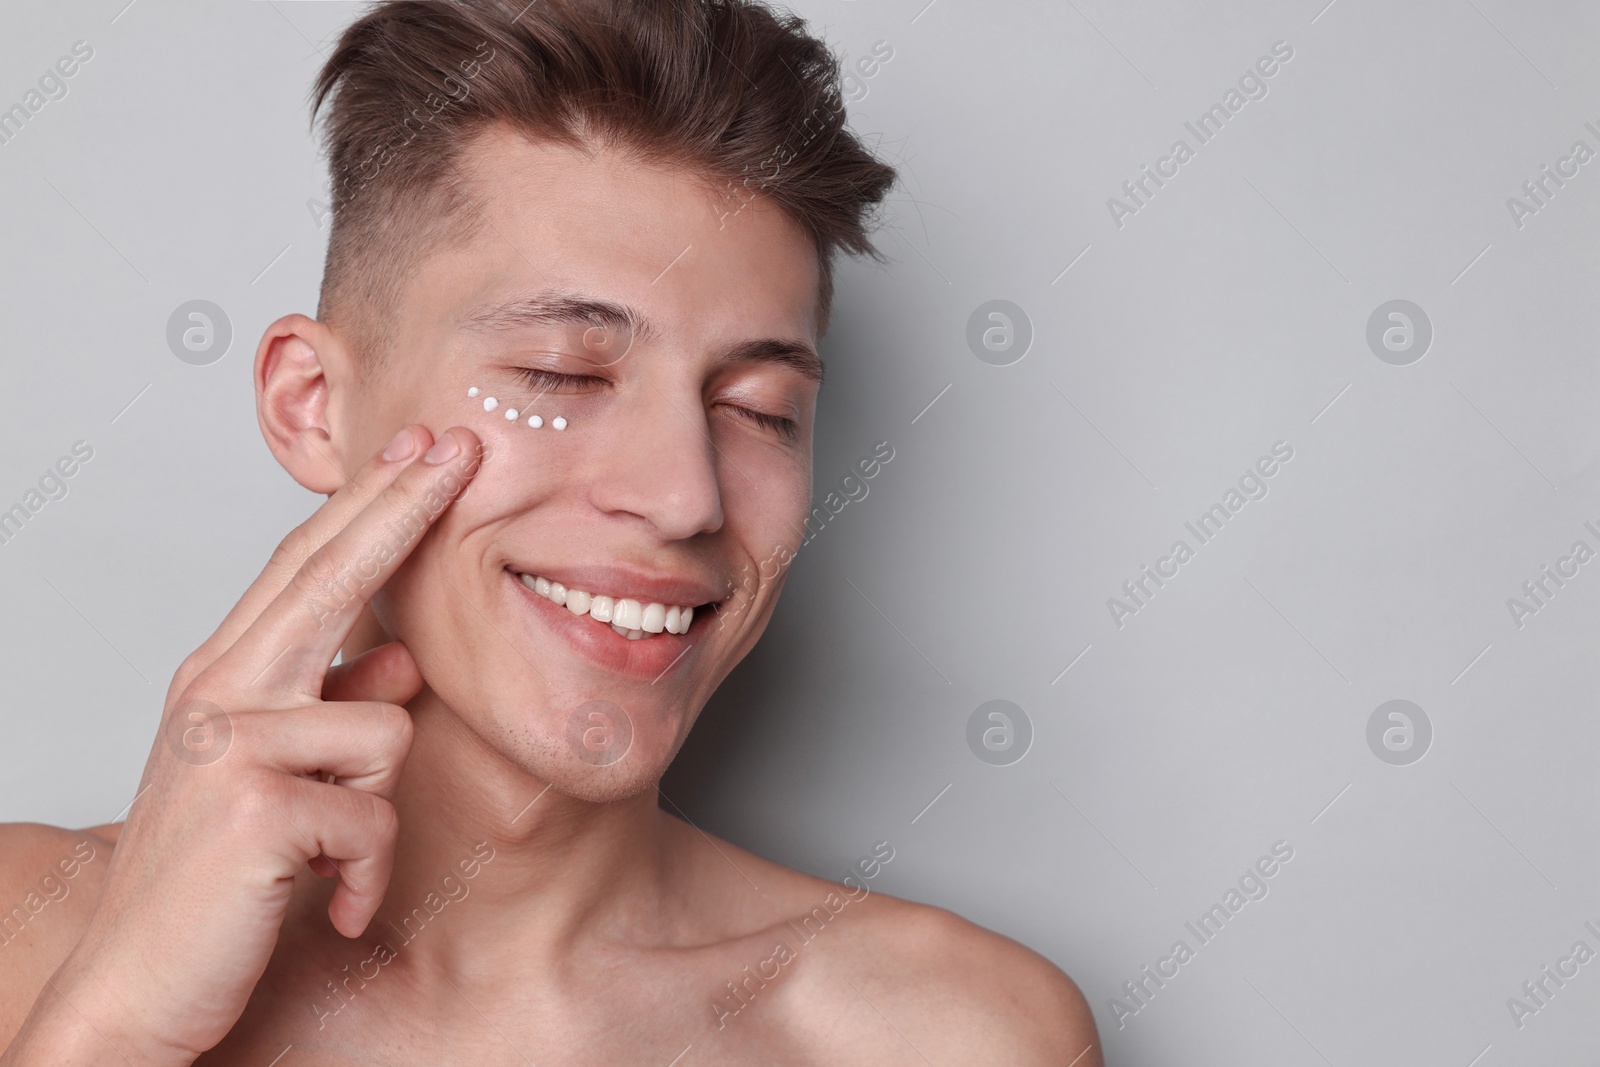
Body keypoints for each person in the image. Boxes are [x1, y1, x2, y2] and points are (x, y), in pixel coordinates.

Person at [0, 1, 1102, 1062]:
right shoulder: (29, 945)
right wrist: (114, 1024)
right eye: (560, 373)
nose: (685, 498)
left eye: (761, 409)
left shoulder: (954, 1034)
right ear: (313, 406)